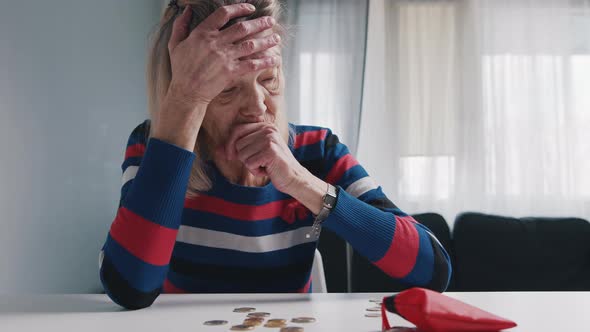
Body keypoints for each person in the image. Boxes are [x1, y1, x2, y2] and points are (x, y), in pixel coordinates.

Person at [99, 0, 451, 310]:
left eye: (269, 79)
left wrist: (300, 182)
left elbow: (432, 268)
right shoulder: (154, 146)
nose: (256, 106)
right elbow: (130, 288)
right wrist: (183, 106)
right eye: (227, 88)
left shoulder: (318, 149)